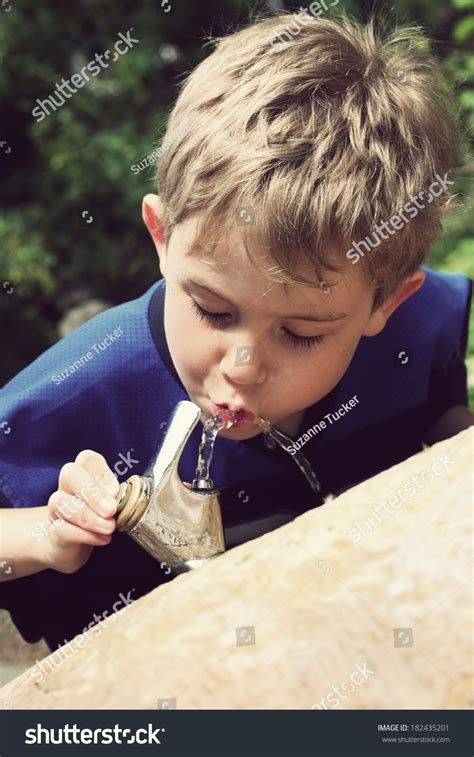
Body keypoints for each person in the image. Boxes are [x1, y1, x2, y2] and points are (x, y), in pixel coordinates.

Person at [0, 12, 472, 652]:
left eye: (302, 333)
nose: (244, 366)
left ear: (384, 302)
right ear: (163, 238)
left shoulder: (416, 332)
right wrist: (46, 536)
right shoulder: (81, 388)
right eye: (213, 312)